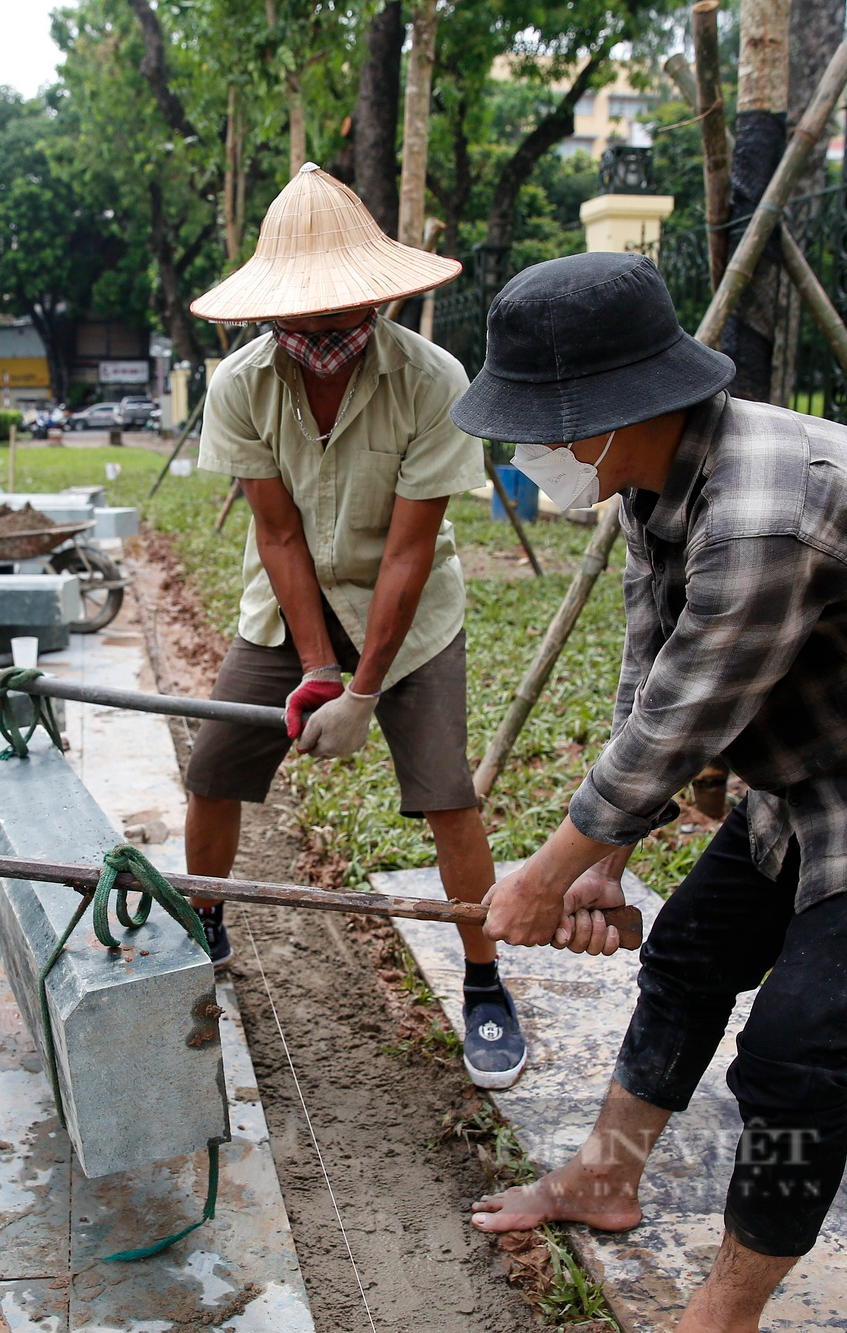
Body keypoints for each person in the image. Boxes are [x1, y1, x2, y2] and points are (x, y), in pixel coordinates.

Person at [456, 252, 847, 1332]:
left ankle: (726, 1310)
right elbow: (645, 675)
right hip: (809, 766)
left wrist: (544, 875)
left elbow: (683, 716)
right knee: (689, 955)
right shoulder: (657, 483)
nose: (536, 453)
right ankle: (604, 1177)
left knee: (794, 1053)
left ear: (612, 411)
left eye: (544, 426)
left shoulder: (762, 510)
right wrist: (602, 862)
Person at [182, 163, 529, 1090]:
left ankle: (487, 983)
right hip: (288, 604)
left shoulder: (432, 382)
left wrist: (365, 687)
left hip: (409, 618)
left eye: (339, 322)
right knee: (214, 767)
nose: (320, 341)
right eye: (300, 325)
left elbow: (411, 553)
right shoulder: (244, 385)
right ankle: (206, 920)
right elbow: (279, 529)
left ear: (375, 301)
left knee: (447, 792)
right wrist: (314, 669)